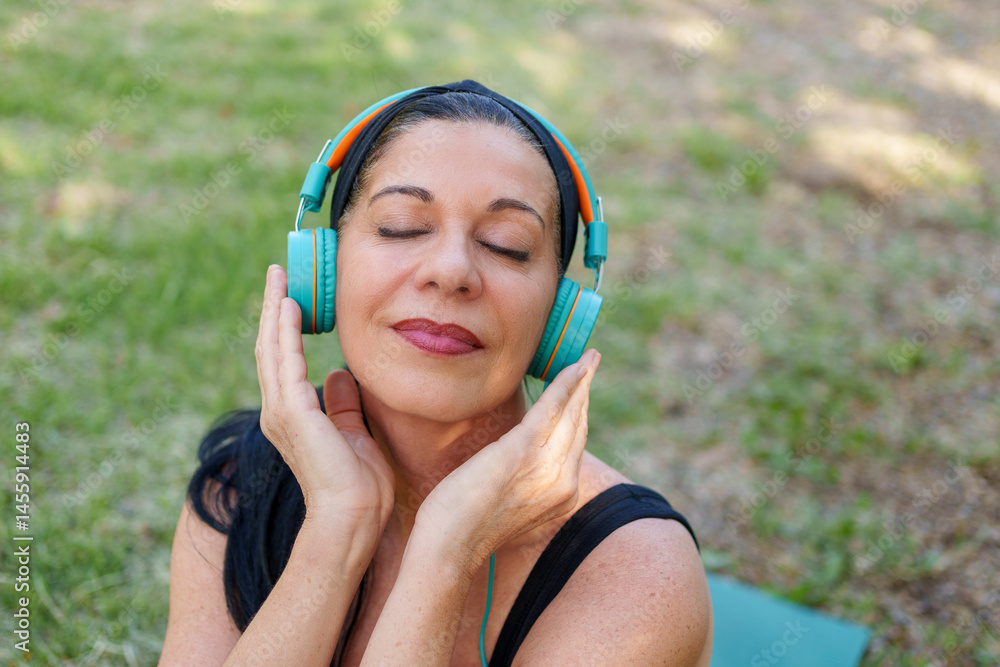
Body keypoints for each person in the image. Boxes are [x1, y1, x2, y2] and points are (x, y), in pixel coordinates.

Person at [159, 80, 712, 666]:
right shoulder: (240, 490)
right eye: (401, 225)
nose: (451, 271)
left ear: (560, 314)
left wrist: (447, 554)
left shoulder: (637, 574)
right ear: (323, 266)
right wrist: (335, 533)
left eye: (506, 245)